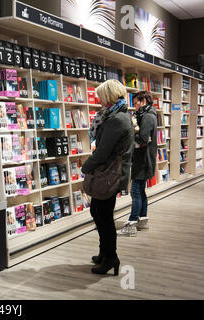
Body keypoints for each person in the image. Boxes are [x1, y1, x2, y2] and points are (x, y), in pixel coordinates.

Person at [81, 79, 134, 276]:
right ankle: (105, 252)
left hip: (109, 173)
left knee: (104, 216)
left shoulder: (116, 120)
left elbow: (103, 152)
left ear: (109, 96)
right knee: (99, 212)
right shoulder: (117, 115)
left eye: (102, 97)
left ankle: (111, 257)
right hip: (109, 172)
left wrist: (86, 168)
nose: (99, 100)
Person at [118, 91, 157, 237]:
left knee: (135, 191)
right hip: (144, 159)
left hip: (143, 160)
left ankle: (132, 223)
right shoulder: (148, 114)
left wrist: (129, 136)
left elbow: (142, 138)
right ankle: (142, 220)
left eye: (136, 103)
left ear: (144, 101)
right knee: (140, 191)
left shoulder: (147, 116)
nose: (135, 106)